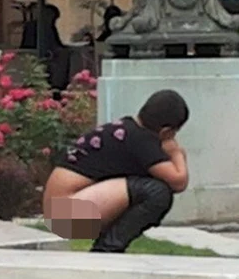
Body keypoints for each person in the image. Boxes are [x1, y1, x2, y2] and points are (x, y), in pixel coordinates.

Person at [43, 89, 190, 253]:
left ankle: (106, 246)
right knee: (157, 192)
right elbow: (178, 182)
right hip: (65, 213)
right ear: (166, 131)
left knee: (142, 188)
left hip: (59, 211)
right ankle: (107, 249)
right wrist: (176, 153)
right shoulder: (142, 140)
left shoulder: (126, 129)